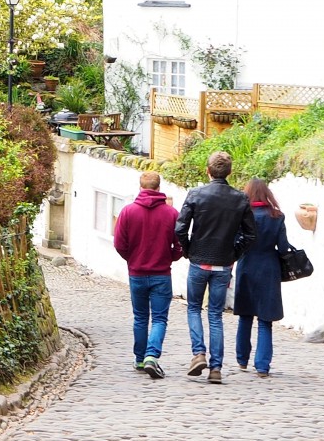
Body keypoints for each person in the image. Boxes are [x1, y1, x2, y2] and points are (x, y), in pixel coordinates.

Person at [174, 150, 257, 384]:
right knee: (215, 315)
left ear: (208, 171)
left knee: (193, 308)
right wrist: (235, 253)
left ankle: (199, 353)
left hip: (199, 260)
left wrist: (188, 250)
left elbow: (180, 228)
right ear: (229, 172)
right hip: (223, 263)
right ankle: (216, 368)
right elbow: (251, 234)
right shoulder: (240, 198)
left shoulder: (196, 194)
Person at [110, 169, 183, 379]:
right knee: (160, 318)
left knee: (140, 317)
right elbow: (180, 244)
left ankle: (140, 359)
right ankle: (152, 355)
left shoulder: (128, 212)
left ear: (140, 188)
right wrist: (171, 257)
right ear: (159, 189)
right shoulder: (171, 214)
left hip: (137, 273)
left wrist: (131, 258)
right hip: (161, 273)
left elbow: (119, 243)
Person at [232, 176, 291, 377]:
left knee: (245, 315)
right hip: (268, 268)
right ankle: (263, 365)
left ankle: (242, 359)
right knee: (265, 319)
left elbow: (236, 243)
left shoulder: (242, 215)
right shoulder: (277, 216)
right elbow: (283, 247)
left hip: (247, 265)